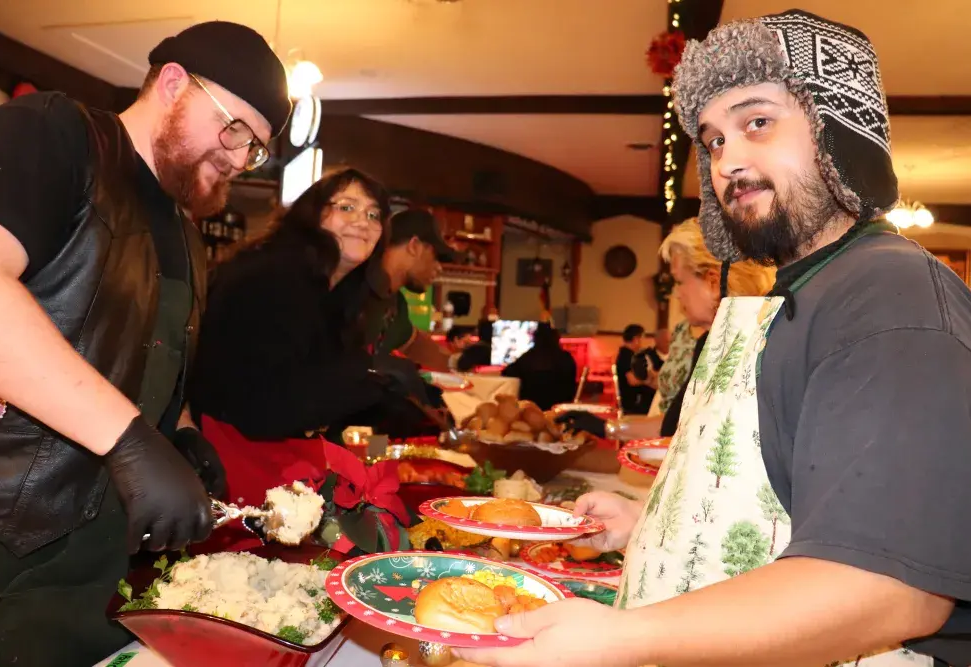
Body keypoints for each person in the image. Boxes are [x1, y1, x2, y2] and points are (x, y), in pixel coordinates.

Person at [456, 10, 971, 667]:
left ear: (838, 128)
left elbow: (886, 589)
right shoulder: (804, 290)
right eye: (714, 140)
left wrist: (622, 638)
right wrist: (659, 531)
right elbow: (794, 505)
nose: (728, 161)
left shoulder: (890, 297)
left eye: (758, 122)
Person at [0, 21, 291, 667]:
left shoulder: (187, 235)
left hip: (104, 565)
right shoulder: (54, 133)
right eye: (234, 129)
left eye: (254, 149)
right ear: (172, 83)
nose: (238, 159)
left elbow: (147, 356)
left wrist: (182, 433)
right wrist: (129, 440)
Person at [187, 168, 429, 548]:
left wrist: (390, 401)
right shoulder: (275, 277)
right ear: (313, 214)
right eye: (346, 207)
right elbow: (269, 407)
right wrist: (369, 375)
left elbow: (323, 395)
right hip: (229, 469)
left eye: (373, 214)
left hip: (271, 464)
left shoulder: (335, 291)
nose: (363, 222)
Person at [558, 219, 772, 440]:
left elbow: (681, 431)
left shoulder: (738, 345)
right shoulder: (737, 335)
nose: (677, 294)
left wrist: (608, 428)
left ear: (713, 282)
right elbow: (675, 423)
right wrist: (606, 427)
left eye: (680, 281)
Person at [336, 208, 455, 371]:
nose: (439, 268)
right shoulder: (352, 290)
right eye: (436, 256)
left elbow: (414, 344)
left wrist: (456, 363)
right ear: (414, 246)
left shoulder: (396, 303)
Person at [500, 323, 577, 411]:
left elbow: (506, 373)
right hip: (560, 410)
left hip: (529, 411)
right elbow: (571, 387)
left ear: (535, 338)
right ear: (556, 338)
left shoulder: (527, 358)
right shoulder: (565, 358)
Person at [614, 324, 646, 414]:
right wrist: (650, 380)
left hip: (630, 401)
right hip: (631, 403)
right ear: (636, 339)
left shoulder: (626, 354)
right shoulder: (627, 356)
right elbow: (632, 381)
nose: (643, 341)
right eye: (642, 338)